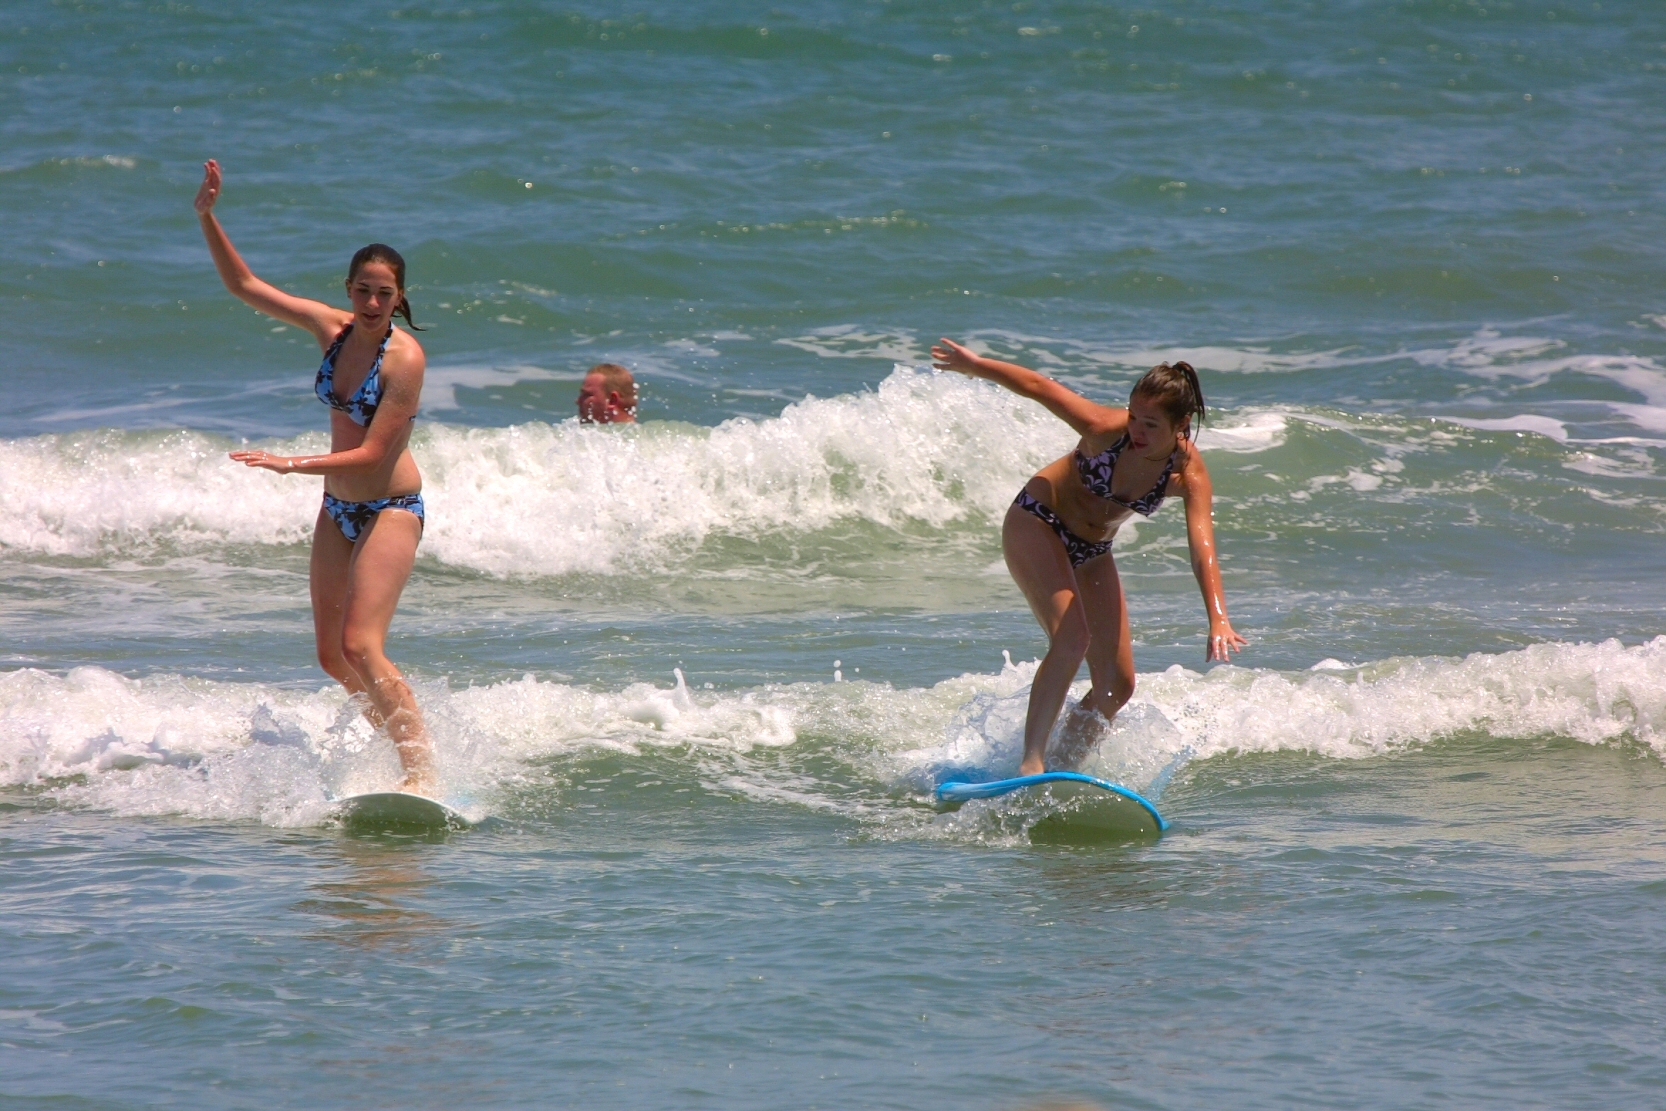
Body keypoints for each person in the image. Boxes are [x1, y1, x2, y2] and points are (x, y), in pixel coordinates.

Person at [194, 159, 437, 795]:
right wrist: (207, 216)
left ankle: (422, 771)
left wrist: (289, 463)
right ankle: (395, 741)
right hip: (337, 509)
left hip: (391, 507)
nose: (373, 302)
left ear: (400, 297)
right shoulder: (331, 328)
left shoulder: (405, 359)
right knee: (331, 656)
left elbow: (374, 453)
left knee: (362, 643)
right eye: (363, 290)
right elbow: (245, 285)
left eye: (385, 293)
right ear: (349, 290)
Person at [930, 337, 1246, 776]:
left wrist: (1218, 616)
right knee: (1073, 639)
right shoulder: (1105, 430)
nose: (1136, 430)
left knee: (1117, 686)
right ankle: (1031, 764)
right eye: (1134, 416)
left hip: (1093, 551)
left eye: (1151, 424)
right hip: (1037, 521)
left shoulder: (1186, 471)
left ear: (1181, 425)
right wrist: (974, 365)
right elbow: (1040, 386)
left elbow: (1202, 544)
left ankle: (1063, 765)